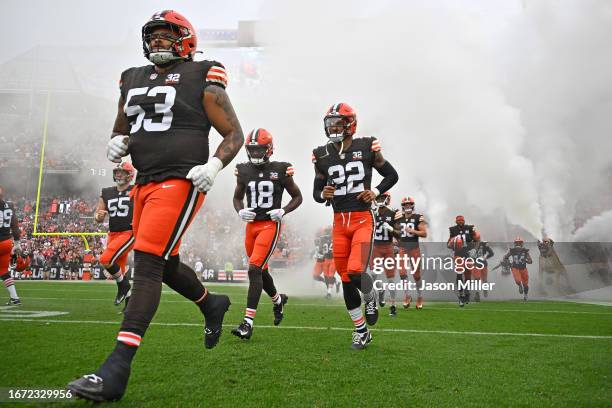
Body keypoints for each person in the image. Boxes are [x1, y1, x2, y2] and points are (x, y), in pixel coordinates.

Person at [68, 10, 244, 401]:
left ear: (185, 39)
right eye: (153, 36)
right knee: (165, 265)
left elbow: (234, 133)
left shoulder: (203, 74)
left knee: (146, 261)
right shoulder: (131, 78)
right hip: (144, 182)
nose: (157, 42)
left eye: (166, 36)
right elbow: (123, 127)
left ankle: (116, 369)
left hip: (181, 180)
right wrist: (119, 141)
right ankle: (211, 303)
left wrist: (214, 166)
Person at [312, 102, 398, 349]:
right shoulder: (322, 154)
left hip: (361, 218)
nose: (333, 128)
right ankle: (361, 331)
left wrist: (375, 191)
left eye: (338, 123)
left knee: (355, 271)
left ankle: (370, 295)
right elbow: (317, 192)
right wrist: (323, 194)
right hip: (339, 221)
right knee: (345, 278)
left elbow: (392, 175)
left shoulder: (367, 146)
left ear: (351, 124)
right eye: (330, 124)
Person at [231, 128, 302, 339]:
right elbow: (237, 197)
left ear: (269, 149)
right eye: (251, 149)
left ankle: (247, 322)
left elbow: (297, 197)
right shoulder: (243, 170)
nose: (254, 153)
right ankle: (278, 301)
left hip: (270, 225)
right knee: (261, 271)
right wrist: (239, 209)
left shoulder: (281, 169)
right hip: (251, 226)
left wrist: (284, 210)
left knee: (254, 269)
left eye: (258, 149)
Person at [95, 162, 135, 305]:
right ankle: (130, 304)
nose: (119, 174)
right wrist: (99, 216)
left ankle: (123, 286)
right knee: (120, 270)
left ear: (130, 175)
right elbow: (98, 217)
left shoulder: (136, 189)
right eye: (117, 171)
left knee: (105, 259)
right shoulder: (106, 192)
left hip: (129, 232)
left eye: (122, 172)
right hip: (113, 234)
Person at [392, 197, 427, 309]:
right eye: (405, 204)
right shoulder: (399, 218)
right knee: (402, 272)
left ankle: (420, 297)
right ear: (403, 206)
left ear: (412, 205)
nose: (407, 206)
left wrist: (413, 231)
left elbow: (424, 233)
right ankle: (407, 296)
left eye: (409, 204)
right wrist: (394, 241)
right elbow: (395, 232)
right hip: (402, 248)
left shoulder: (418, 217)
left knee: (416, 275)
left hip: (414, 248)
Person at [371, 192, 398, 314]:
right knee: (374, 275)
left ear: (387, 199)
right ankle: (380, 293)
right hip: (376, 247)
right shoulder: (372, 212)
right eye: (379, 198)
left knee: (391, 278)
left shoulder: (393, 213)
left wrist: (392, 229)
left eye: (382, 197)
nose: (380, 200)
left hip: (388, 248)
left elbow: (400, 235)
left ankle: (393, 306)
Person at [448, 215, 476, 307]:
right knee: (459, 273)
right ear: (456, 221)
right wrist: (451, 248)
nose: (460, 221)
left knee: (468, 274)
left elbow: (476, 239)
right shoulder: (452, 229)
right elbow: (449, 243)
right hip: (458, 253)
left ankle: (467, 292)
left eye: (462, 220)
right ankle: (461, 295)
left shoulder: (469, 228)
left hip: (468, 253)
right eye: (459, 220)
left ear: (464, 221)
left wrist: (474, 249)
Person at [0, 186, 21, 305]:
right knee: (3, 271)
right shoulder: (10, 206)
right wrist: (17, 243)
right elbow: (15, 227)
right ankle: (15, 298)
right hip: (7, 242)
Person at [504, 236, 532, 301]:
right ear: (515, 244)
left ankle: (525, 295)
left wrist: (526, 260)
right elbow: (505, 257)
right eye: (517, 243)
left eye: (519, 243)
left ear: (522, 244)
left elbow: (530, 261)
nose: (518, 244)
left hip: (523, 268)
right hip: (515, 268)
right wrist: (508, 263)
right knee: (518, 280)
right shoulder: (512, 251)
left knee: (525, 284)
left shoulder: (525, 251)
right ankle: (519, 285)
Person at [468, 231, 494, 301]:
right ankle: (477, 294)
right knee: (477, 279)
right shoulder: (470, 245)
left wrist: (485, 257)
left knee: (484, 280)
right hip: (476, 264)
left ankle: (484, 290)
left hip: (483, 264)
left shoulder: (484, 244)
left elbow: (491, 253)